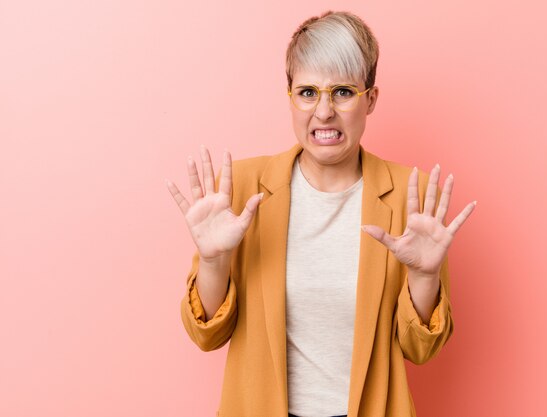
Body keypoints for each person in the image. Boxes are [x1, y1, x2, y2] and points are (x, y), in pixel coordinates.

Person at [167, 10, 476, 417]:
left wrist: (424, 276)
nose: (324, 111)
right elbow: (208, 335)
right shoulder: (240, 190)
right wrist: (213, 261)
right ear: (290, 96)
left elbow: (421, 350)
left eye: (343, 91)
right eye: (308, 92)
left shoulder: (410, 197)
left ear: (371, 100)